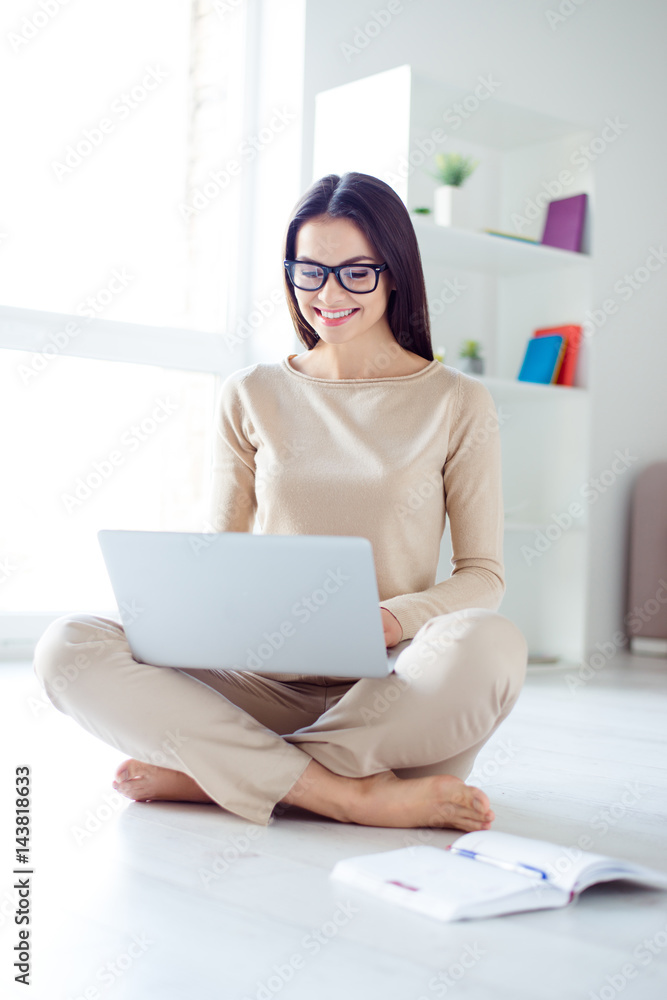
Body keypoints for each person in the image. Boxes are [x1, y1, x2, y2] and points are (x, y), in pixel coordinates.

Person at [33, 171, 528, 833]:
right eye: (310, 271)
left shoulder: (456, 402)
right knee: (66, 646)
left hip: (387, 694)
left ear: (395, 272)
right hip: (255, 682)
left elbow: (482, 578)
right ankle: (348, 796)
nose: (328, 294)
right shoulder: (251, 393)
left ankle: (224, 775)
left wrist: (389, 619)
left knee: (489, 644)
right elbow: (221, 556)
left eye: (356, 272)